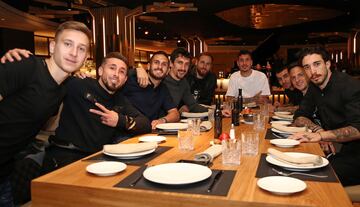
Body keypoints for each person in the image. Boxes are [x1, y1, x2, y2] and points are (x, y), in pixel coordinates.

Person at [0, 21, 91, 206]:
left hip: (4, 171)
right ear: (52, 46)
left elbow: (46, 126)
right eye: (68, 44)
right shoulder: (25, 65)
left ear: (86, 58)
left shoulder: (62, 88)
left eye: (81, 49)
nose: (74, 53)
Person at [289, 46, 360, 186]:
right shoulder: (315, 87)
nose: (313, 72)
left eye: (317, 64)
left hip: (356, 154)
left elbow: (358, 129)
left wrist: (323, 136)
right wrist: (318, 131)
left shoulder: (350, 86)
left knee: (309, 176)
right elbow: (299, 116)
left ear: (327, 64)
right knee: (294, 165)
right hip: (339, 150)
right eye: (307, 67)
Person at [136, 48, 208, 113]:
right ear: (171, 63)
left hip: (169, 122)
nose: (183, 68)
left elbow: (192, 105)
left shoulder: (183, 82)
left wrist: (213, 111)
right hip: (151, 122)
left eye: (186, 64)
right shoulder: (161, 78)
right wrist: (137, 69)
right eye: (180, 63)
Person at [121, 51, 179, 129]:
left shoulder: (163, 88)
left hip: (149, 132)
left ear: (168, 71)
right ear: (148, 66)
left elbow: (175, 113)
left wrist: (162, 120)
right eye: (156, 62)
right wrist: (136, 70)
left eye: (164, 64)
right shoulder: (133, 80)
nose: (160, 67)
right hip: (127, 132)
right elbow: (117, 76)